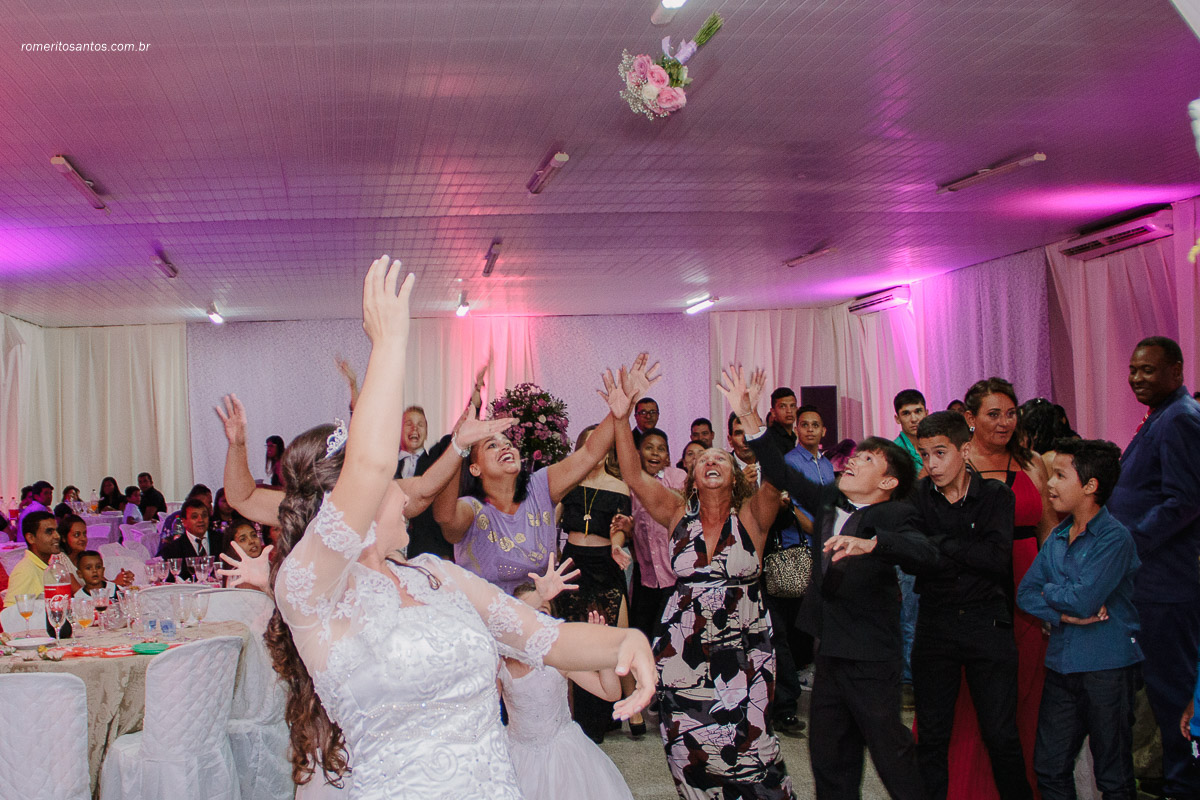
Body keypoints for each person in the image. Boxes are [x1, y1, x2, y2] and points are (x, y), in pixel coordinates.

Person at [220, 256, 655, 798]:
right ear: (349, 503)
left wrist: (627, 640)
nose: (408, 497)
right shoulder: (310, 591)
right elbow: (370, 466)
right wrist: (389, 344)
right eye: (392, 488)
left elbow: (550, 639)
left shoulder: (437, 576)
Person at [730, 368, 936, 800]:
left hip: (870, 656)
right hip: (831, 653)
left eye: (868, 460)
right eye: (856, 456)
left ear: (888, 482)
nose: (854, 460)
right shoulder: (830, 501)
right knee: (829, 756)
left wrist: (874, 545)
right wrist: (750, 419)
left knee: (890, 753)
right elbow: (782, 474)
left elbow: (924, 552)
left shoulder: (894, 514)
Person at [612, 361, 796, 800]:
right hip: (683, 651)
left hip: (745, 651)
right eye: (703, 459)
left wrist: (749, 417)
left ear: (734, 475)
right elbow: (633, 474)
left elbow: (778, 477)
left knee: (752, 745)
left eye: (721, 458)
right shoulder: (676, 512)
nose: (711, 460)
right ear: (692, 477)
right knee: (687, 745)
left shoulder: (752, 517)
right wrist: (621, 416)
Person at [910, 411, 1032, 800]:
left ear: (964, 451)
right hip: (935, 623)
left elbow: (996, 559)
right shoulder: (918, 497)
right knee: (931, 736)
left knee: (1001, 734)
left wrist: (938, 544)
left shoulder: (996, 495)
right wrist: (959, 551)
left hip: (987, 622)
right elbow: (914, 559)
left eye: (940, 453)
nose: (931, 464)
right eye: (924, 454)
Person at [949, 376, 1056, 800]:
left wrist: (1052, 588)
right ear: (970, 418)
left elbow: (1048, 530)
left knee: (1027, 686)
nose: (1004, 422)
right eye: (993, 414)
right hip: (976, 586)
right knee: (974, 692)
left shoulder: (1033, 463)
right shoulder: (953, 461)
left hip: (1030, 583)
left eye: (1011, 413)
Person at [1017, 438, 1142, 800]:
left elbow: (1083, 601)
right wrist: (1064, 613)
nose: (1049, 483)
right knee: (1049, 768)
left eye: (1060, 475)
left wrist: (1053, 593)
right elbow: (1025, 594)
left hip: (1107, 668)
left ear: (1090, 486)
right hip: (1061, 666)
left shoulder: (1115, 538)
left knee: (1113, 775)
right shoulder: (1057, 536)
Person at [1108, 335, 1200, 799]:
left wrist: (1130, 541)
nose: (1137, 378)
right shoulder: (1162, 415)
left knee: (1175, 694)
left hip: (1167, 584)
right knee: (1159, 694)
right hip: (1150, 582)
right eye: (1133, 369)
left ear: (1177, 371)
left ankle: (1186, 784)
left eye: (1148, 369)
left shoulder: (1180, 418)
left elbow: (1184, 501)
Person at [433, 393, 624, 594]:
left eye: (508, 443)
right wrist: (458, 445)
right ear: (475, 469)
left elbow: (589, 454)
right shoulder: (472, 508)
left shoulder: (540, 487)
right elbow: (444, 517)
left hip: (537, 609)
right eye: (492, 445)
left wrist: (618, 413)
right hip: (483, 612)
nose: (504, 447)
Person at [501, 582, 634, 800]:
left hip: (562, 752)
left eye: (543, 612)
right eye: (528, 611)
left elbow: (610, 692)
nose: (535, 619)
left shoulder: (558, 660)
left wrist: (603, 651)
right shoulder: (503, 663)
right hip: (517, 752)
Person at [555, 424, 633, 744]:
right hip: (572, 564)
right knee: (573, 639)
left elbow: (620, 527)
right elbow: (551, 519)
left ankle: (602, 717)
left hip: (604, 564)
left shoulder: (619, 486)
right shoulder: (568, 481)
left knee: (604, 637)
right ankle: (573, 716)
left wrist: (616, 545)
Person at [609, 424, 686, 740]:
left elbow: (685, 510)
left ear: (668, 455)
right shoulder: (630, 486)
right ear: (639, 453)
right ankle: (647, 695)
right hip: (645, 576)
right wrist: (626, 528)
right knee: (642, 637)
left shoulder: (678, 479)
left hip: (674, 575)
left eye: (661, 448)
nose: (655, 453)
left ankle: (673, 700)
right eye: (649, 447)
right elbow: (627, 528)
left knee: (671, 640)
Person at [783, 404, 835, 693]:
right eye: (805, 425)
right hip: (799, 546)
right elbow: (789, 505)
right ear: (797, 429)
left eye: (815, 425)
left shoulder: (826, 464)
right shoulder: (790, 461)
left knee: (820, 608)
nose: (810, 430)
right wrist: (817, 530)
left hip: (825, 546)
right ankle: (800, 669)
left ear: (823, 430)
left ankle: (815, 665)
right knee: (800, 611)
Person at [3, 511, 61, 607]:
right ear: (31, 538)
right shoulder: (26, 570)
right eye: (49, 532)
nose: (57, 536)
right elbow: (10, 611)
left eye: (57, 531)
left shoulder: (47, 565)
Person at [159, 498, 219, 580]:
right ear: (184, 521)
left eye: (204, 516)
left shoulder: (222, 541)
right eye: (195, 517)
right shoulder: (173, 549)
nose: (201, 520)